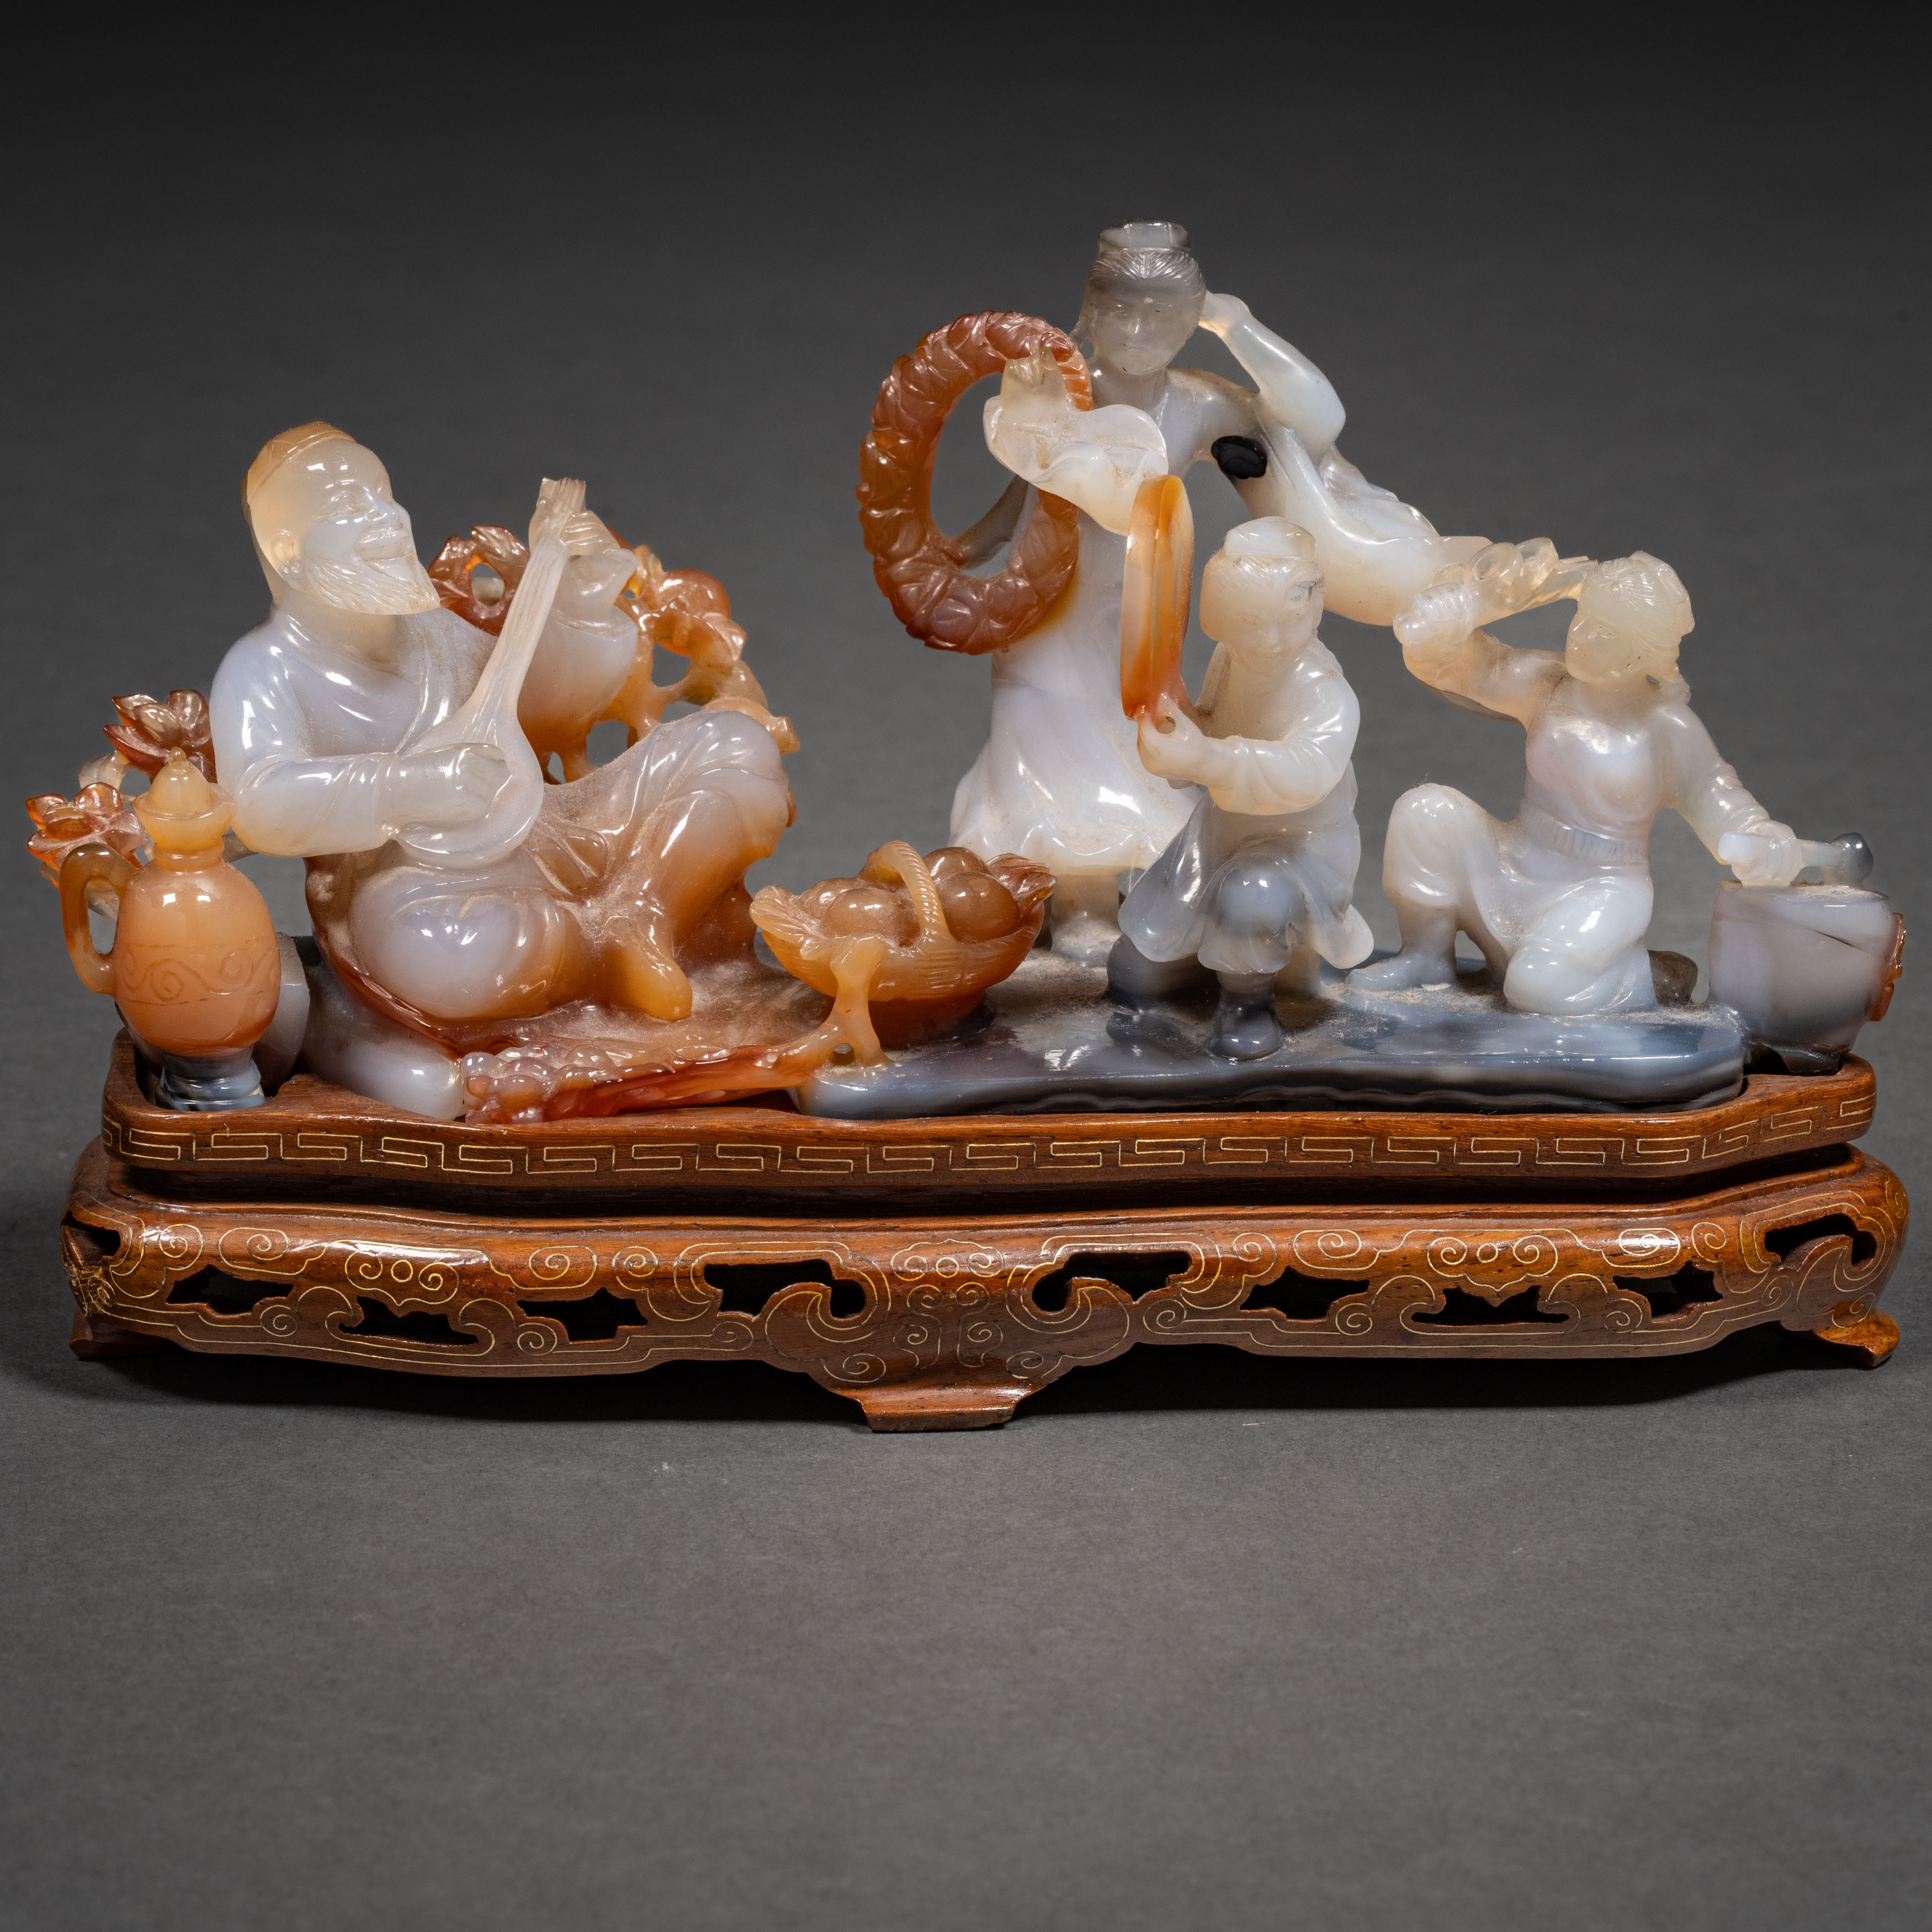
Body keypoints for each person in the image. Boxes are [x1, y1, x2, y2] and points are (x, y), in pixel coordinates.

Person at [209, 424, 791, 1030]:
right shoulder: (263, 669)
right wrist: (409, 786)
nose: (388, 518)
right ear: (287, 551)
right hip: (423, 887)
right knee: (447, 955)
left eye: (385, 495)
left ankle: (640, 914)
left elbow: (537, 708)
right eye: (352, 506)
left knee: (737, 747)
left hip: (552, 828)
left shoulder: (430, 633)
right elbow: (259, 802)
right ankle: (597, 951)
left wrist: (577, 603)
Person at [952, 222, 1356, 962]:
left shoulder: (1197, 404)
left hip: (1135, 606)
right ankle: (1057, 896)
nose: (1138, 333)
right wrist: (973, 542)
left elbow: (1317, 421)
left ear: (1189, 319)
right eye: (1120, 311)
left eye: (1162, 315)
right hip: (1046, 602)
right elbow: (1033, 485)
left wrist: (1240, 327)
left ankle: (1105, 895)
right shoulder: (1061, 388)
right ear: (1089, 309)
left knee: (1125, 734)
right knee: (1038, 726)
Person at [1355, 541, 1803, 1014]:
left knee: (1535, 990)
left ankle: (1640, 979)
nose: (1583, 637)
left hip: (1601, 889)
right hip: (1515, 864)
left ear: (1645, 652)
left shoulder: (1667, 727)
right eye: (1584, 618)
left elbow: (1716, 793)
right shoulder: (1548, 684)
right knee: (1426, 811)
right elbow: (1472, 669)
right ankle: (1426, 958)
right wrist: (1441, 632)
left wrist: (1761, 836)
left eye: (1606, 632)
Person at [1108, 520, 1373, 1058]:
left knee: (1253, 894)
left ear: (1315, 609)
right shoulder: (1231, 658)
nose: (1270, 641)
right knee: (1132, 975)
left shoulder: (1325, 691)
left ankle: (1247, 1002)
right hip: (1221, 834)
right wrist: (1178, 734)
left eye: (1290, 620)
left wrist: (1206, 757)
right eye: (1250, 622)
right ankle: (1209, 950)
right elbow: (1214, 725)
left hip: (1301, 846)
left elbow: (1307, 770)